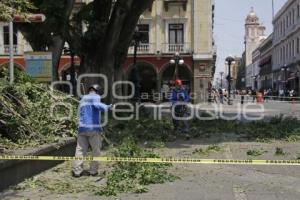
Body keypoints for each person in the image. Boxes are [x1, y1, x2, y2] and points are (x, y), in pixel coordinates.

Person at [72, 84, 113, 177]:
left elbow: (78, 113)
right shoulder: (95, 96)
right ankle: (93, 171)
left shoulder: (83, 99)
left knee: (80, 150)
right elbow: (97, 105)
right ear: (97, 91)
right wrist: (107, 107)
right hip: (93, 128)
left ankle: (77, 171)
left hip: (82, 128)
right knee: (96, 150)